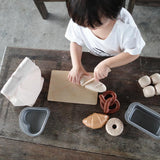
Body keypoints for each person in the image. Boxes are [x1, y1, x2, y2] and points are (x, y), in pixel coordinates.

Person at [65, 0, 145, 85]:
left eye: (95, 25)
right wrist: (76, 66)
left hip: (118, 58)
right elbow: (75, 42)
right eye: (84, 25)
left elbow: (133, 53)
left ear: (113, 13)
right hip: (94, 55)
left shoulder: (127, 29)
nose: (88, 28)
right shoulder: (81, 16)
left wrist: (107, 64)